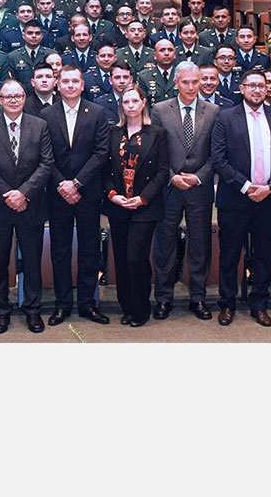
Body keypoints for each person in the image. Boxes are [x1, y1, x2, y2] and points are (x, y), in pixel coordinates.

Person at [210, 70, 271, 326]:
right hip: (235, 199)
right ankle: (227, 304)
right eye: (252, 86)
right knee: (229, 255)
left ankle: (259, 304)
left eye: (262, 86)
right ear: (242, 88)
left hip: (269, 199)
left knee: (263, 255)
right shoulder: (225, 117)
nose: (257, 90)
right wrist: (246, 186)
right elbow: (218, 159)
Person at [0, 80, 55, 334]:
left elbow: (46, 163)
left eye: (18, 96)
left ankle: (32, 310)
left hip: (30, 205)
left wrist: (23, 193)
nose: (13, 100)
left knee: (32, 261)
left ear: (24, 98)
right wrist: (9, 193)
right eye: (7, 96)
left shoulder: (40, 125)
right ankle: (1, 311)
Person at [40, 64, 110, 324]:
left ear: (82, 85)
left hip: (88, 193)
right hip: (58, 193)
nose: (70, 85)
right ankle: (62, 303)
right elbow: (44, 156)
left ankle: (87, 304)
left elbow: (101, 153)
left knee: (90, 250)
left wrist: (77, 183)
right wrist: (63, 185)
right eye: (65, 81)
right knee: (60, 250)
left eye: (75, 81)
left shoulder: (98, 113)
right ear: (58, 85)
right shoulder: (46, 115)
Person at [150, 62, 219, 320]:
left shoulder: (213, 111)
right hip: (169, 188)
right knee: (164, 244)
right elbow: (154, 150)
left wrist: (199, 177)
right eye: (186, 82)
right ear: (176, 83)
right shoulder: (159, 110)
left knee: (200, 244)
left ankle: (198, 298)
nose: (191, 87)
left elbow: (217, 153)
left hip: (199, 189)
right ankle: (163, 298)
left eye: (195, 82)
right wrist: (172, 176)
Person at [103, 88, 170, 327]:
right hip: (118, 205)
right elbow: (105, 169)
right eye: (126, 101)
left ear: (143, 103)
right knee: (121, 259)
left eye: (135, 100)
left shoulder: (157, 134)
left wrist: (143, 198)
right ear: (121, 105)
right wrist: (112, 195)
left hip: (145, 206)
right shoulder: (113, 132)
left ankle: (141, 307)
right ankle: (127, 307)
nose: (130, 105)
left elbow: (163, 172)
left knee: (136, 258)